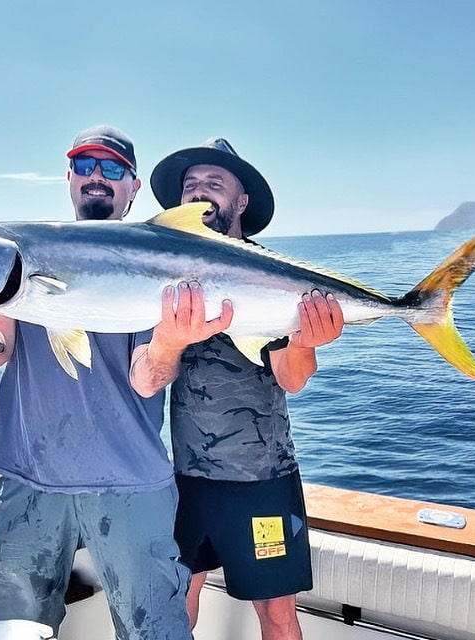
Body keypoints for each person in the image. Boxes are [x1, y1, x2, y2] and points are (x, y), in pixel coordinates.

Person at [0, 125, 193, 640]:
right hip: (29, 477)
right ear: (70, 177)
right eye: (85, 165)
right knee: (14, 628)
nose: (97, 176)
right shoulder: (29, 257)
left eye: (113, 168)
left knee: (155, 631)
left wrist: (171, 341)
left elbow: (149, 378)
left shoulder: (154, 262)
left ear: (134, 186)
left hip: (130, 481)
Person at [130, 138, 344, 640]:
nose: (199, 191)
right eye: (191, 185)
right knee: (177, 600)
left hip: (261, 480)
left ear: (241, 201)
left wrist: (305, 341)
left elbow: (292, 377)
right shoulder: (162, 274)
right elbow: (146, 375)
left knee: (276, 614)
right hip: (186, 477)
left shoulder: (272, 274)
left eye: (215, 183)